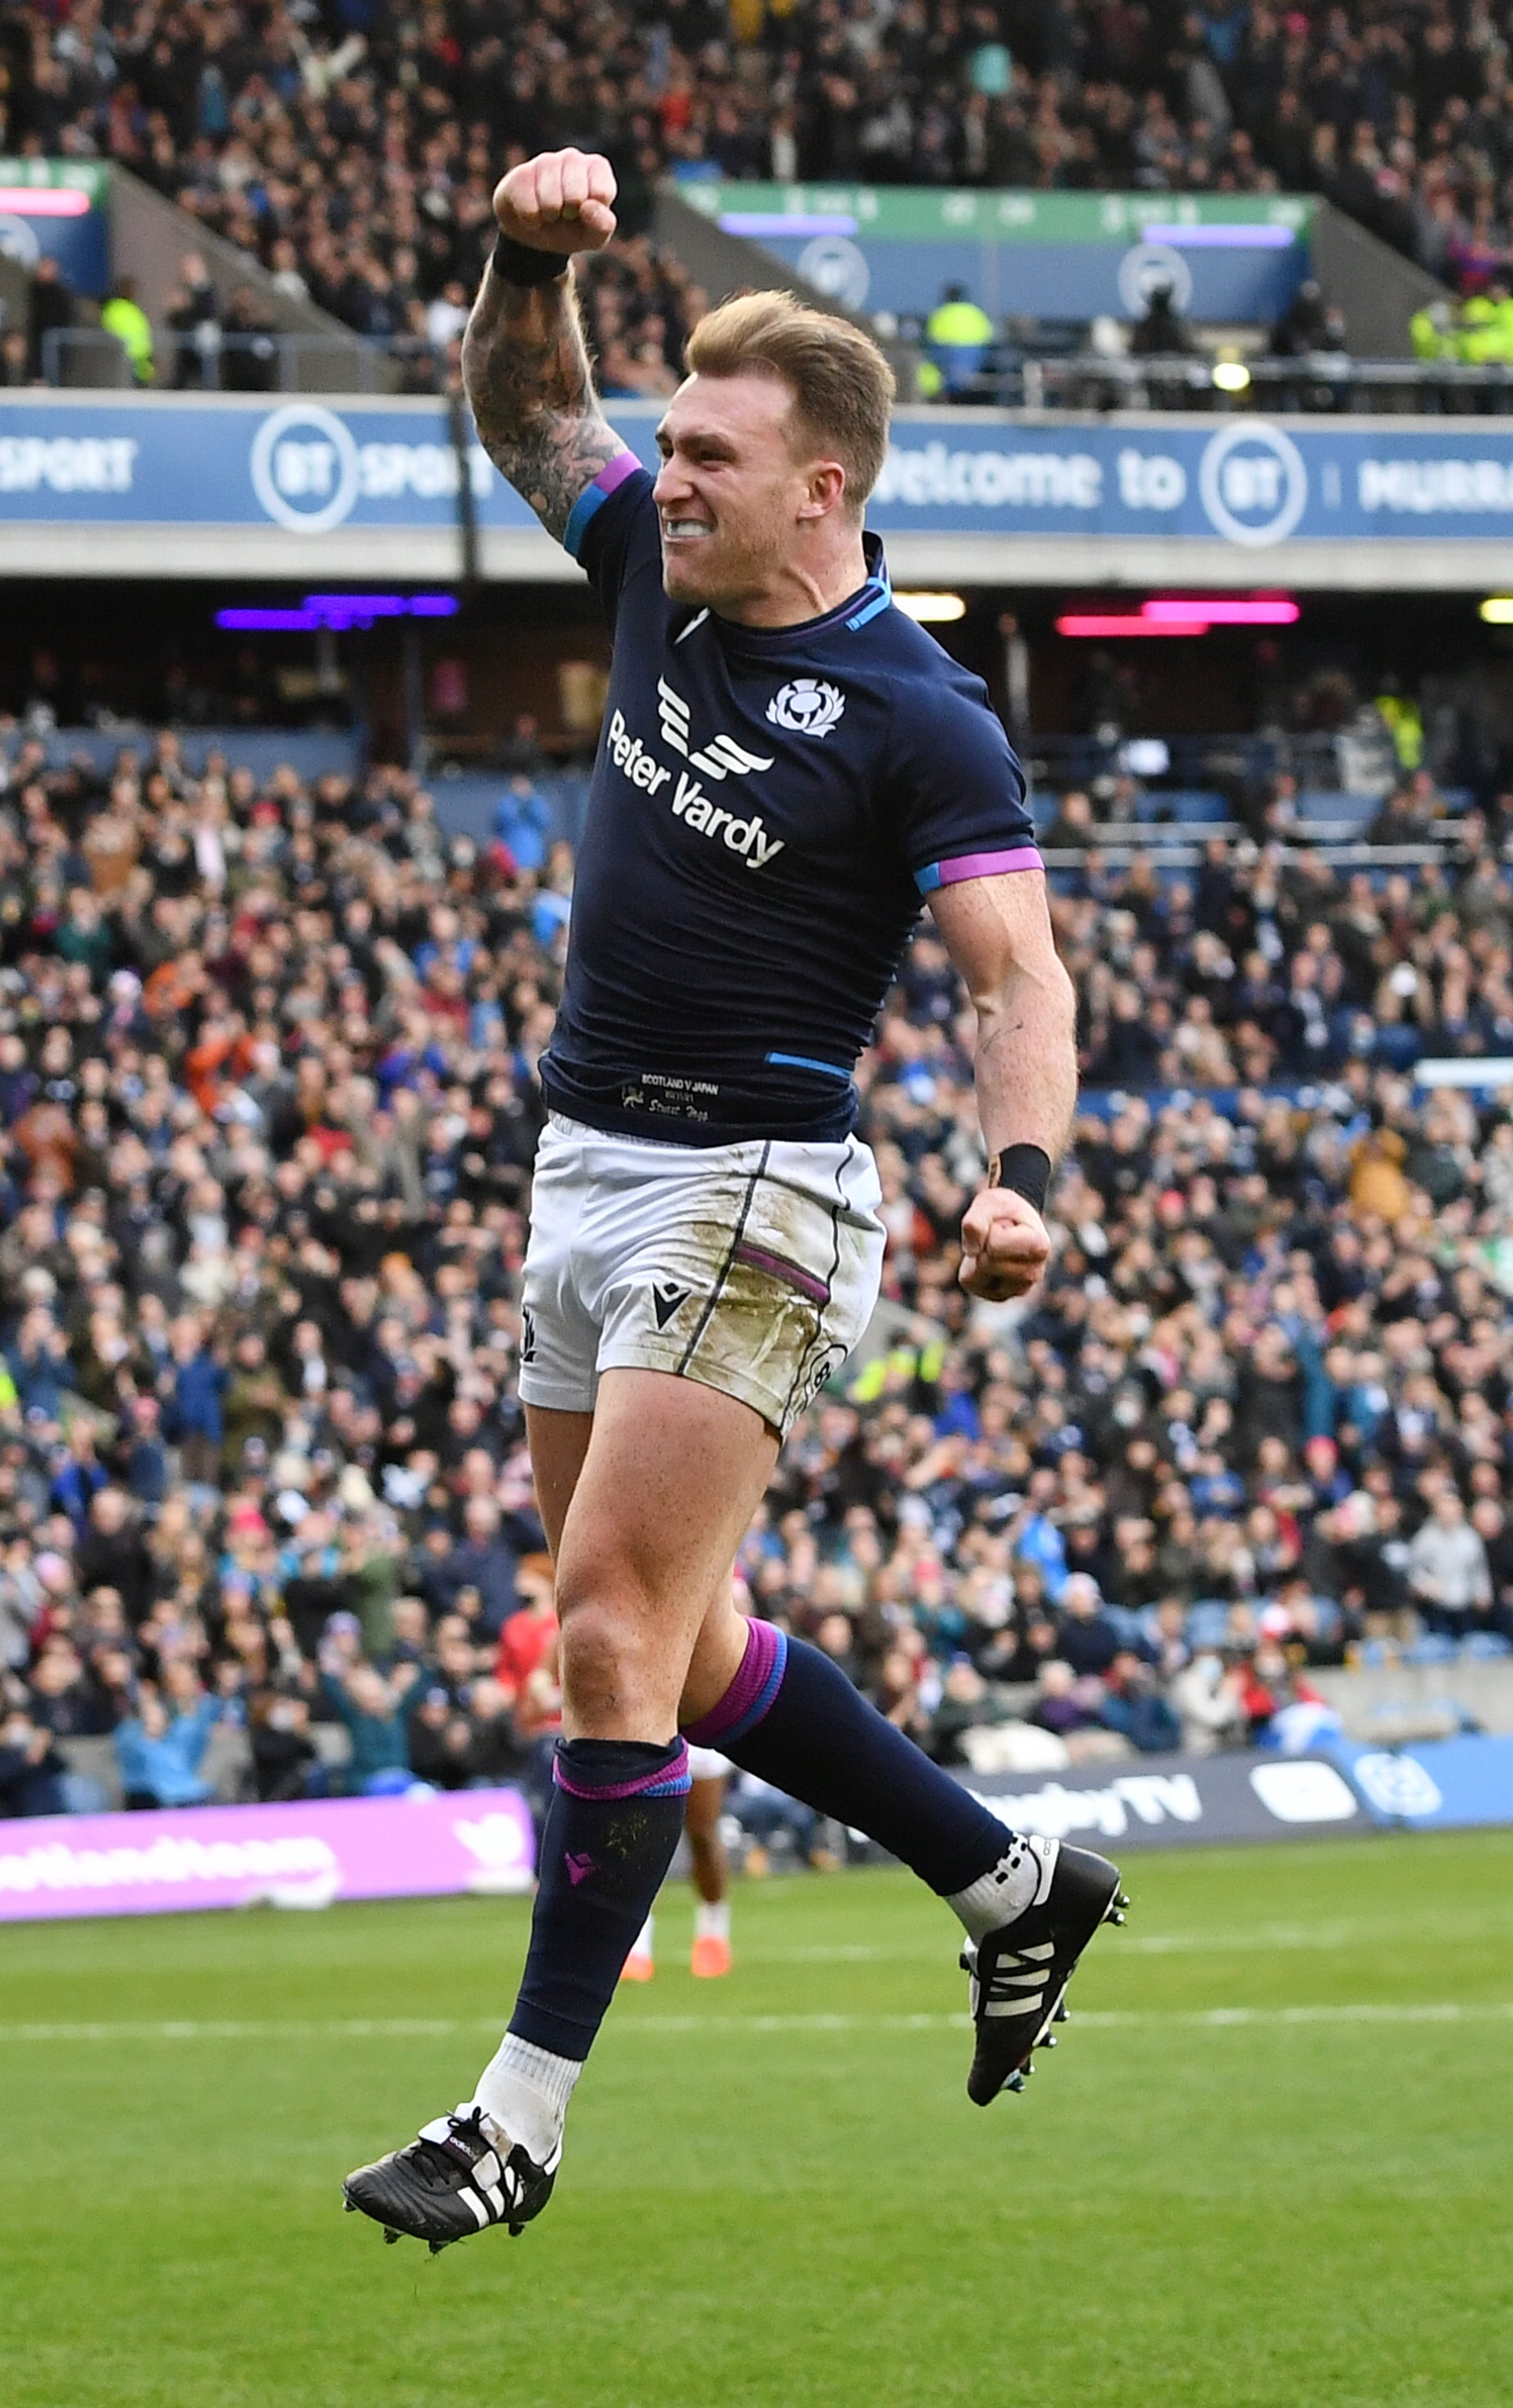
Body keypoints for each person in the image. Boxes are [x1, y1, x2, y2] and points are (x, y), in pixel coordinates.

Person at [345, 147, 1125, 2255]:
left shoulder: (920, 715)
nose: (665, 474)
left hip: (761, 1179)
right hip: (584, 1166)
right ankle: (1007, 1877)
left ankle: (513, 2123)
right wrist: (526, 257)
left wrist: (1022, 1173)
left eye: (711, 453)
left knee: (597, 1627)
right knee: (674, 1664)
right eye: (669, 444)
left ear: (828, 486)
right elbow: (527, 410)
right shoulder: (646, 570)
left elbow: (1016, 973)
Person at [623, 1743, 738, 1980]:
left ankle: (713, 1934)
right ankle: (637, 1943)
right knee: (644, 1835)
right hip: (647, 1724)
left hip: (696, 1726)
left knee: (702, 1836)